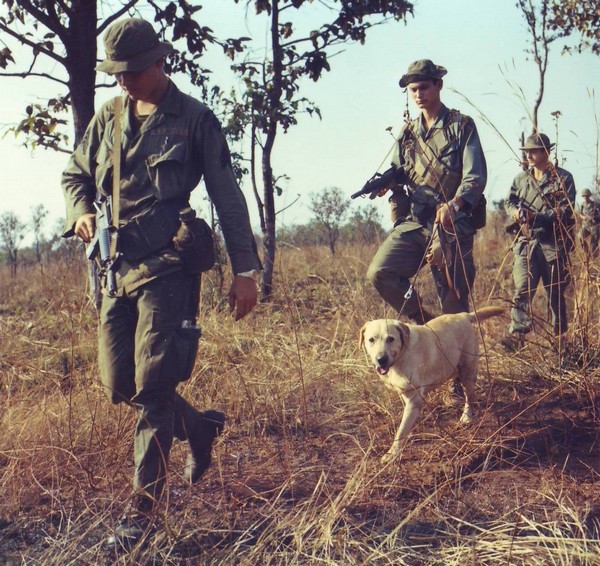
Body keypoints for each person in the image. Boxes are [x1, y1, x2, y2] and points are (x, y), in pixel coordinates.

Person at [61, 18, 262, 549]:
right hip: (116, 270)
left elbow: (227, 196)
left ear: (158, 62)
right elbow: (74, 175)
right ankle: (197, 426)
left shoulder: (194, 119)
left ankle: (142, 516)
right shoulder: (108, 117)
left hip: (168, 269)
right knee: (119, 386)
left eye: (130, 71)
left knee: (152, 390)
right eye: (115, 72)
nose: (122, 80)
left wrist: (245, 269)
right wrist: (81, 211)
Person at [366, 59, 487, 324]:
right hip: (416, 222)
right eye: (413, 90)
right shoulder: (408, 133)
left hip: (450, 225)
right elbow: (399, 171)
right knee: (379, 272)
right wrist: (390, 185)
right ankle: (424, 322)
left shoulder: (461, 125)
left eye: (424, 88)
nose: (419, 95)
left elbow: (475, 176)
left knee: (453, 306)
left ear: (438, 85)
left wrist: (454, 205)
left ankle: (457, 357)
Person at [502, 133, 576, 347]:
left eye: (534, 151)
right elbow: (509, 201)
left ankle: (560, 341)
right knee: (522, 288)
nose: (529, 155)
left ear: (546, 152)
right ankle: (518, 337)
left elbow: (566, 210)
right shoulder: (521, 179)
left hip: (553, 244)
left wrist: (539, 216)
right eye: (527, 151)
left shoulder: (563, 178)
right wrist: (516, 213)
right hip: (526, 243)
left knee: (555, 293)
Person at [577, 188, 600, 257]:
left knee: (593, 243)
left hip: (594, 226)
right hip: (585, 226)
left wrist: (594, 217)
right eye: (584, 196)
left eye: (586, 195)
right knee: (580, 237)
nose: (585, 197)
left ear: (589, 196)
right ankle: (586, 253)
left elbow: (599, 214)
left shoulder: (595, 204)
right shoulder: (582, 205)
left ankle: (595, 259)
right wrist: (584, 217)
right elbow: (580, 214)